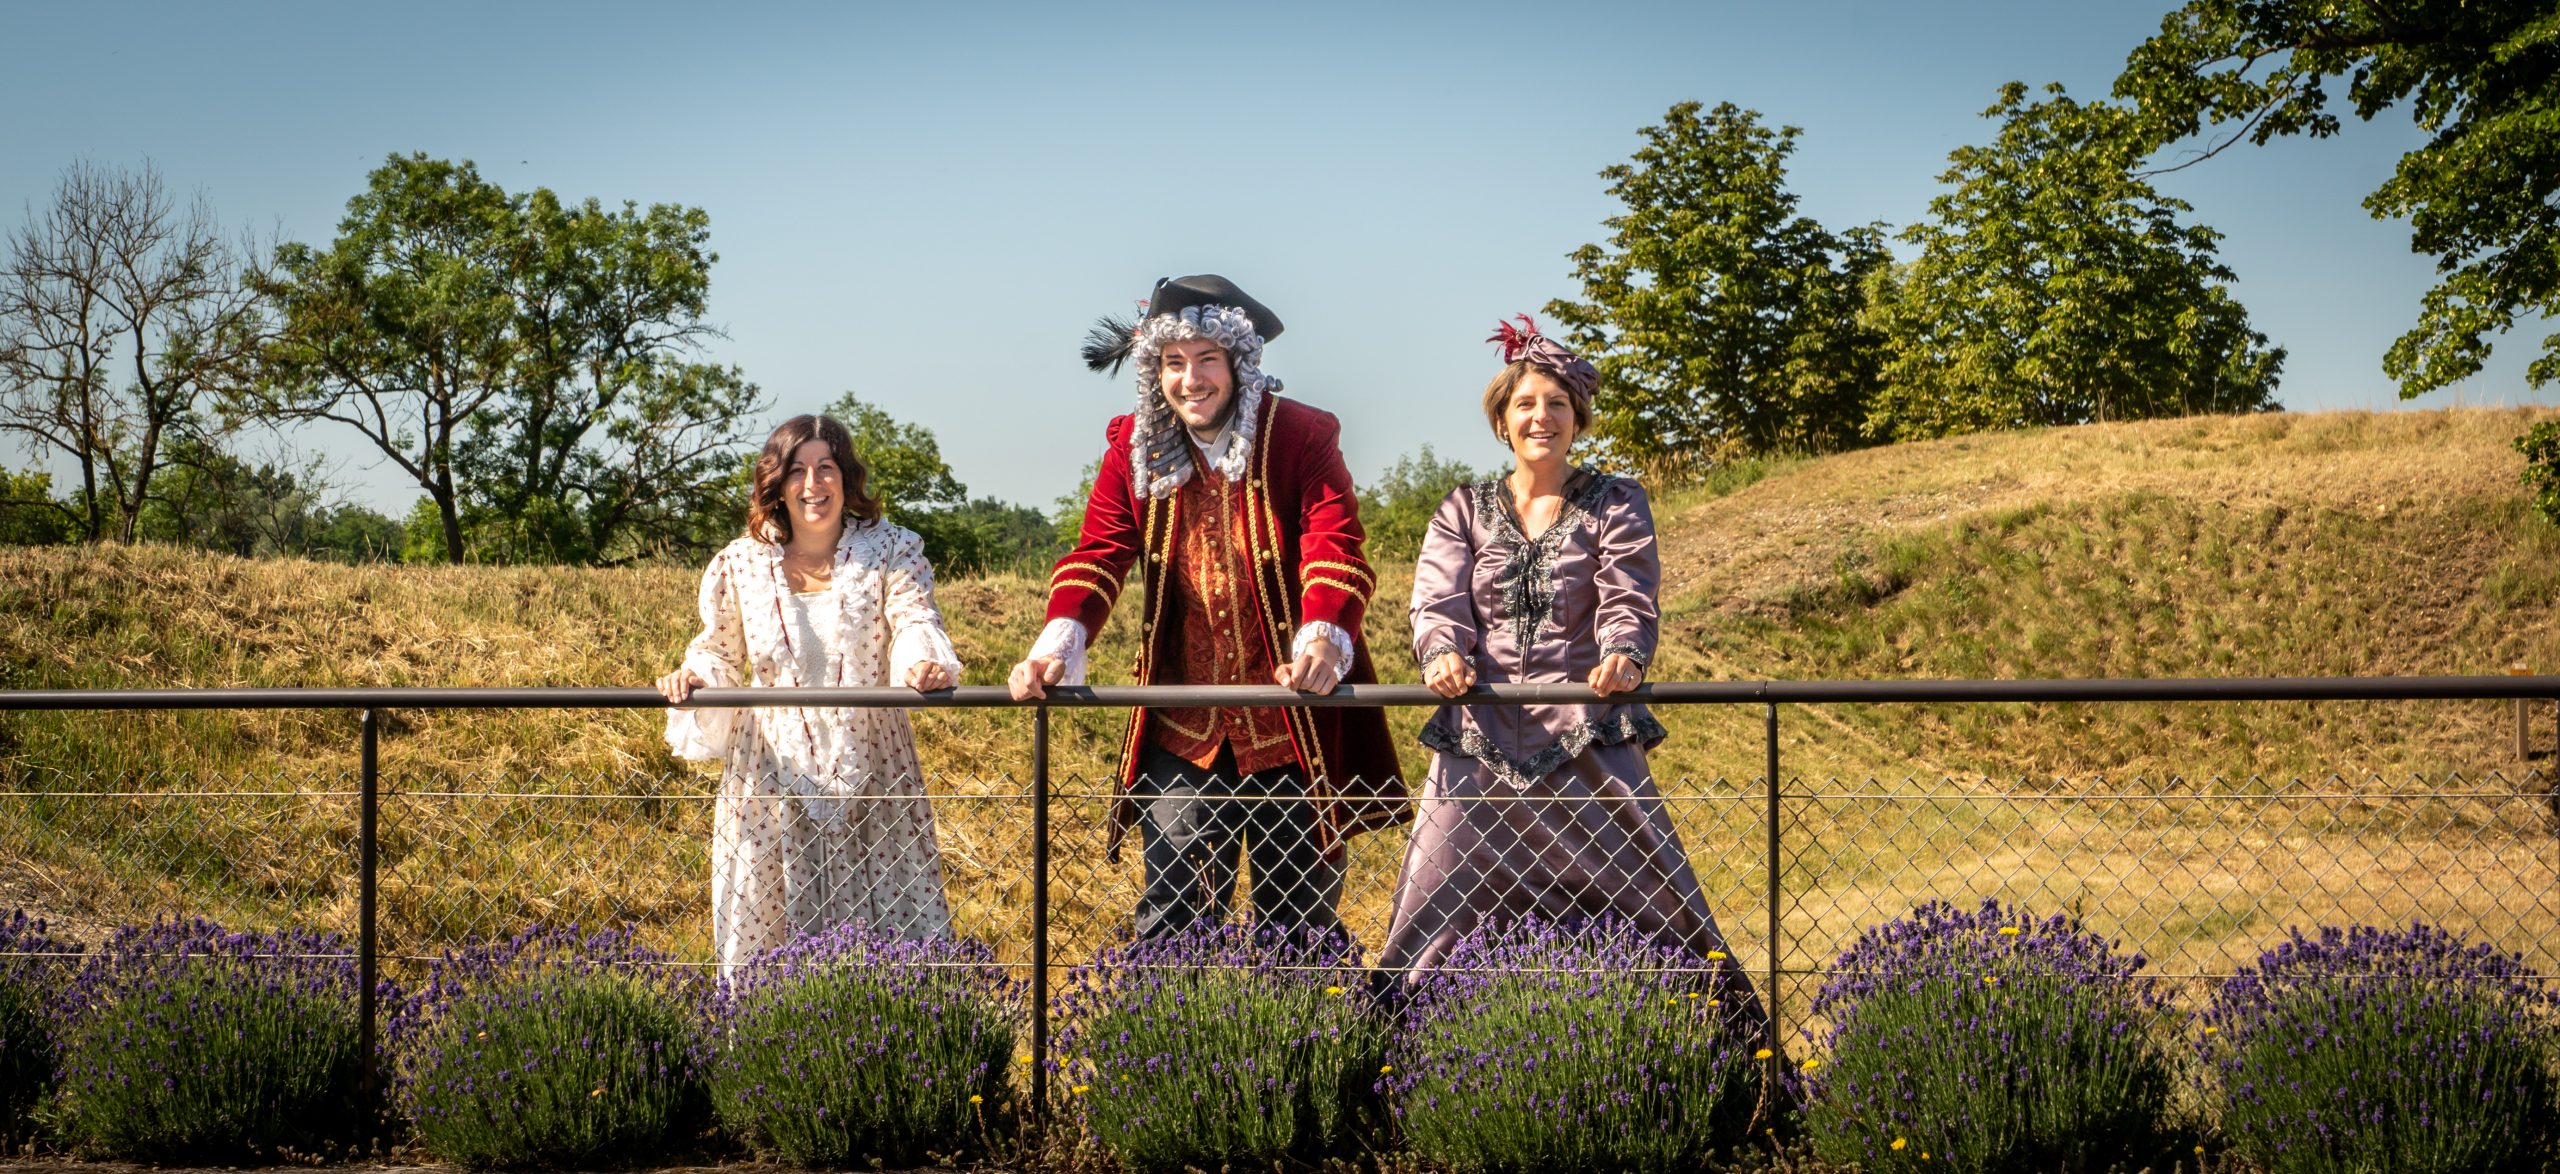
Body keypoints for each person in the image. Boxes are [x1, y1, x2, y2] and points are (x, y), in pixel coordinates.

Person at [1378, 315, 1766, 1025]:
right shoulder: (1462, 510)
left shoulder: (1615, 502)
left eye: (1557, 405)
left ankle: (1709, 1045)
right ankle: (1393, 1059)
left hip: (1588, 732)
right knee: (1435, 896)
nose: (1541, 418)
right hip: (1479, 741)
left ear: (1578, 420)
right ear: (1501, 420)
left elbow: (1629, 588)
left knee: (1651, 897)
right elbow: (1436, 598)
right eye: (1525, 404)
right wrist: (1441, 652)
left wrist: (1624, 648)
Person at [1010, 274, 1406, 940]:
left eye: (1206, 360)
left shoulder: (1301, 435)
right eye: (1173, 363)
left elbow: (1334, 544)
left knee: (1297, 927)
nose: (1191, 380)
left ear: (1238, 363)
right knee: (1171, 920)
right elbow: (1098, 552)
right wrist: (1058, 641)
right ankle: (1167, 1043)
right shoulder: (1132, 443)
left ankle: (1307, 1044)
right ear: (1154, 370)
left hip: (1291, 725)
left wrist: (1320, 638)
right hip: (1183, 731)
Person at [658, 413, 964, 971]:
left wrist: (921, 662)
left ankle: (907, 1051)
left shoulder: (891, 548)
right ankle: (764, 1055)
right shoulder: (740, 563)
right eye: (797, 471)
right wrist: (696, 676)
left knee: (891, 932)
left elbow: (914, 616)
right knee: (766, 929)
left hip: (874, 763)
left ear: (846, 478)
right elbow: (719, 650)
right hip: (769, 772)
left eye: (826, 468)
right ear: (778, 484)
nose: (813, 484)